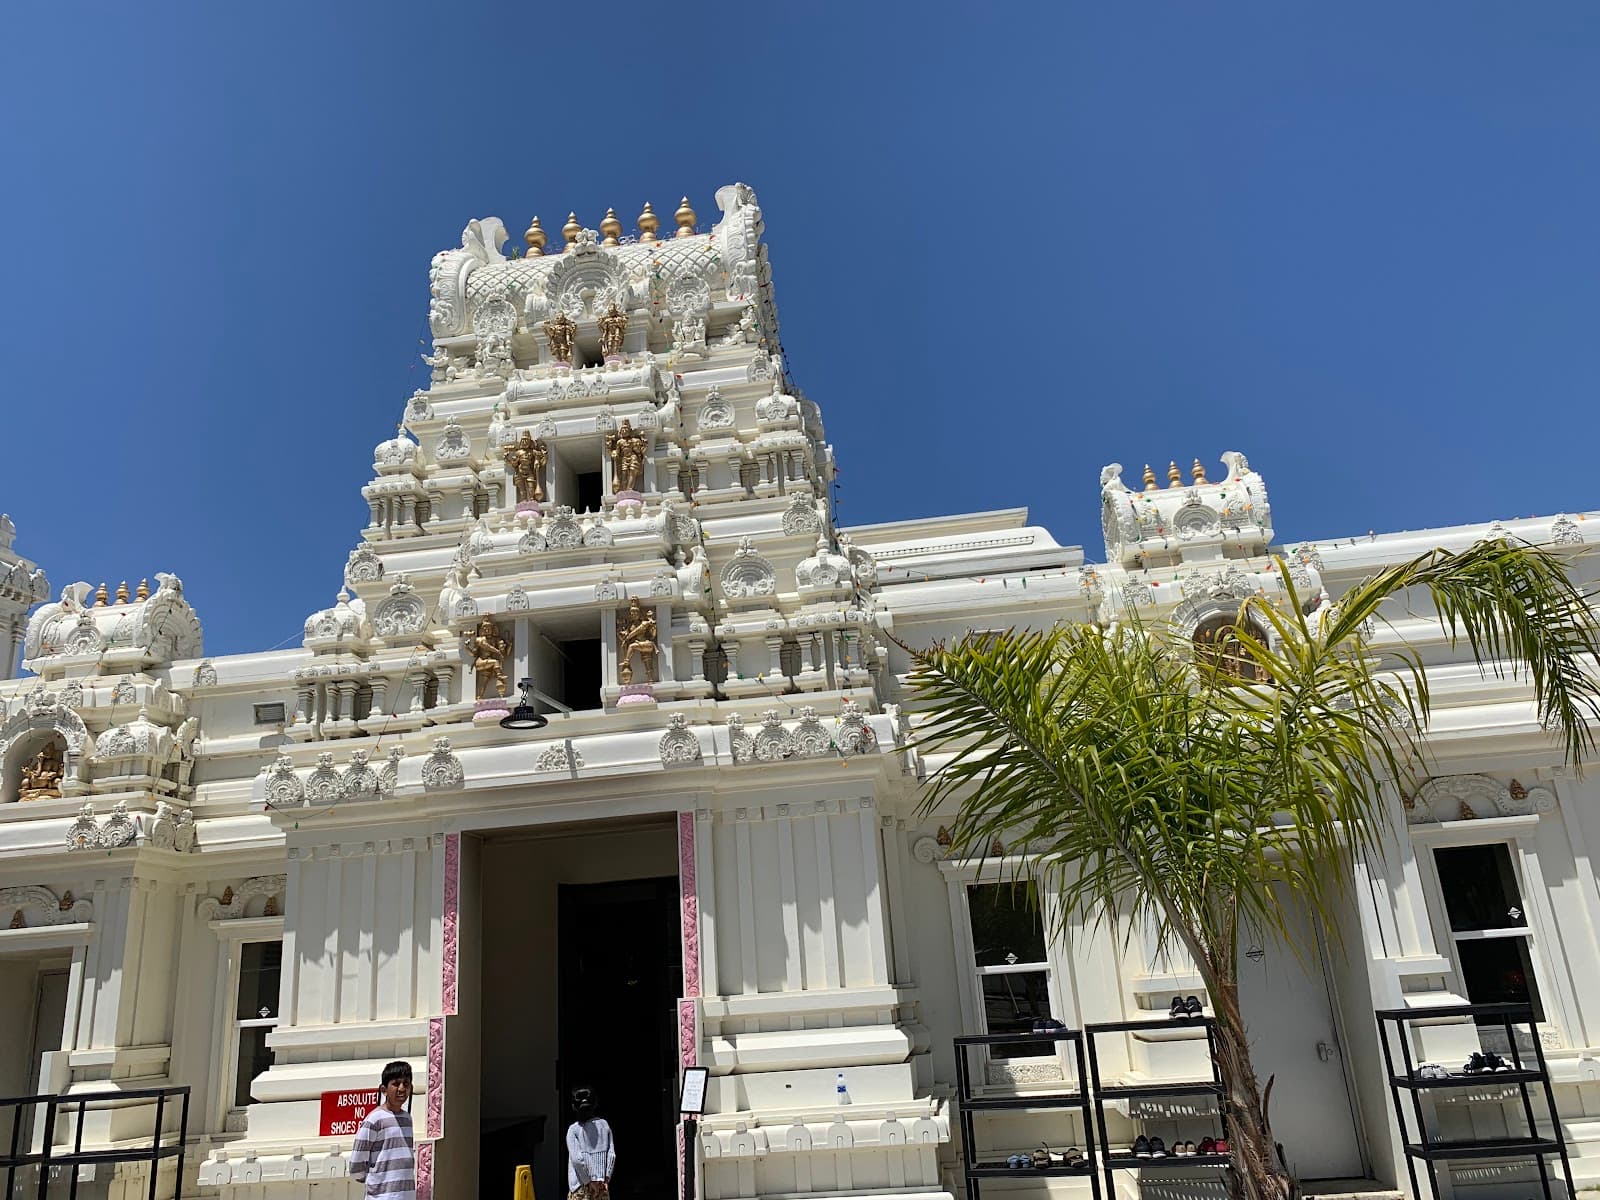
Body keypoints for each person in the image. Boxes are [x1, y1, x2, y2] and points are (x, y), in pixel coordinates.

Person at [349, 1061, 415, 1200]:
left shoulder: (407, 1119)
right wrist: (375, 1182)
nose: (402, 1089)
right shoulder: (374, 1119)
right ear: (384, 1090)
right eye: (396, 1084)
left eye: (406, 1084)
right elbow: (356, 1164)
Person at [565, 1085, 615, 1200]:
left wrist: (588, 1181)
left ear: (574, 1107)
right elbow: (611, 1155)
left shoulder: (573, 1130)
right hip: (601, 1185)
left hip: (580, 1187)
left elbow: (577, 1160)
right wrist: (606, 1178)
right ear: (595, 1104)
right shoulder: (604, 1125)